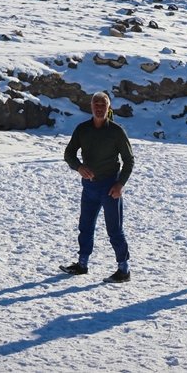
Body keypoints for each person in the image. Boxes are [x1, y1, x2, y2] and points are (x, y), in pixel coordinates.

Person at [59, 91, 134, 284]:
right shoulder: (83, 129)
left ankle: (123, 269)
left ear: (109, 108)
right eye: (96, 104)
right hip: (90, 188)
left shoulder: (116, 131)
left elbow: (129, 160)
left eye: (103, 104)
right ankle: (82, 264)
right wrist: (79, 167)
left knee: (114, 230)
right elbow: (69, 154)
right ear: (91, 107)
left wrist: (120, 184)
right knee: (85, 226)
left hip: (110, 187)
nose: (99, 107)